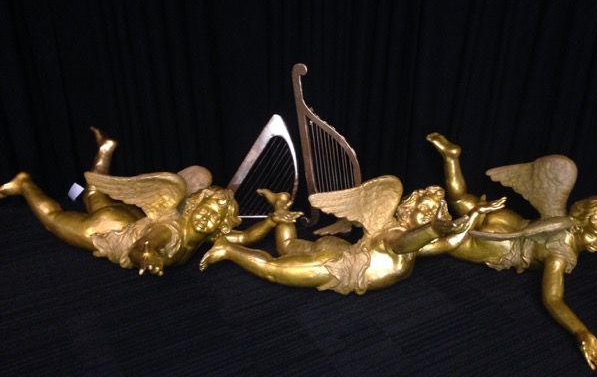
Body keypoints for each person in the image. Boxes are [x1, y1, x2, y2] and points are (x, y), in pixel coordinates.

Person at [426, 132, 597, 370]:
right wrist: (582, 333)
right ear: (587, 226)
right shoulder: (559, 255)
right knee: (441, 243)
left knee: (460, 200)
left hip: (510, 219)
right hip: (502, 244)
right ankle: (413, 232)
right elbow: (553, 299)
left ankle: (452, 158)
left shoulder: (569, 218)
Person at [0, 127, 292, 275]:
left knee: (93, 193)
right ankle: (24, 184)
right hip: (111, 231)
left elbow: (244, 237)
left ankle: (105, 149)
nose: (208, 217)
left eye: (216, 216)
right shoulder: (172, 231)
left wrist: (271, 221)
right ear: (194, 206)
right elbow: (143, 245)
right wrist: (148, 255)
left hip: (128, 219)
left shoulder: (206, 235)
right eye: (206, 209)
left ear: (220, 225)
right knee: (53, 220)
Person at [200, 175, 506, 295]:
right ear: (406, 210)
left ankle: (281, 207)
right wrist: (434, 228)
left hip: (340, 249)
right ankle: (228, 249)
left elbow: (447, 243)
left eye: (434, 212)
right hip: (340, 265)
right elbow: (401, 245)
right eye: (423, 209)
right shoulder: (396, 232)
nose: (428, 215)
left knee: (288, 245)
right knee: (273, 269)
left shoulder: (420, 240)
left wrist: (473, 216)